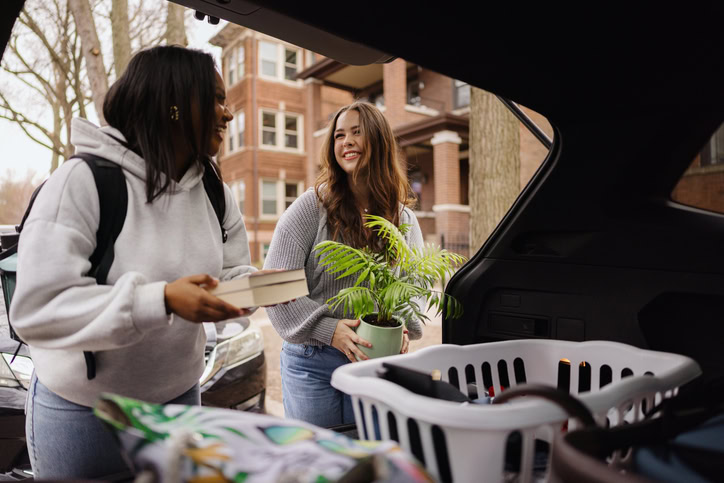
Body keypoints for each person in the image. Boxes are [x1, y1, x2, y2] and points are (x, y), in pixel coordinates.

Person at [10, 46, 260, 479]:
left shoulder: (215, 190)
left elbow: (230, 273)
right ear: (176, 105)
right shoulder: (83, 181)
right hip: (85, 411)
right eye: (216, 99)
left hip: (180, 399)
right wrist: (160, 300)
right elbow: (36, 308)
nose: (228, 114)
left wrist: (257, 287)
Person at [263, 101, 424, 427]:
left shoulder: (403, 219)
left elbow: (415, 291)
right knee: (317, 465)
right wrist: (328, 330)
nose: (346, 142)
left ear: (379, 141)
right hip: (311, 362)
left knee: (367, 461)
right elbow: (274, 290)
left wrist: (400, 326)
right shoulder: (310, 208)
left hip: (374, 362)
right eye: (339, 135)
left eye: (357, 132)